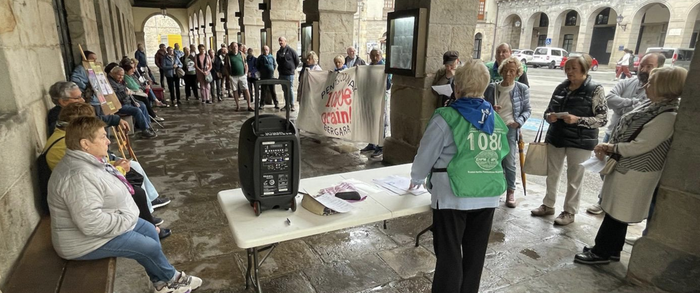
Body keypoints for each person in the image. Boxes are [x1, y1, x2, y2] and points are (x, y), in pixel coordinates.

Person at [47, 115, 201, 293]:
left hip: (104, 224)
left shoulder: (88, 162)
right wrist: (128, 219)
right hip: (82, 242)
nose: (108, 141)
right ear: (85, 144)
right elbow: (91, 223)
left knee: (150, 230)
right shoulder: (79, 176)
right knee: (147, 247)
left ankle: (161, 282)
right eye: (103, 137)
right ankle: (171, 279)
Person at [409, 59, 509, 293]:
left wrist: (416, 178)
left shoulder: (446, 117)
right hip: (487, 193)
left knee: (450, 256)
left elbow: (426, 154)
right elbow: (501, 152)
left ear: (457, 88)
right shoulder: (495, 118)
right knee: (475, 258)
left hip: (453, 195)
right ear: (484, 88)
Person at [574, 66, 687, 265]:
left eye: (652, 83)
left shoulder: (667, 116)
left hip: (636, 172)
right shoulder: (654, 107)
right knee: (616, 212)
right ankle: (612, 250)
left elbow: (640, 146)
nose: (646, 85)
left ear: (665, 87)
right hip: (628, 169)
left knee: (618, 212)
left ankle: (601, 252)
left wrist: (611, 147)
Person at [44, 103, 171, 239]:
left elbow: (92, 163)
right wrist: (119, 169)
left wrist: (113, 165)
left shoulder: (64, 137)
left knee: (134, 176)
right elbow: (87, 179)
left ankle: (148, 218)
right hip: (86, 194)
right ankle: (148, 224)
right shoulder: (65, 146)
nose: (108, 141)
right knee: (135, 192)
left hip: (91, 182)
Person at [531, 54, 608, 226]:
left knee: (575, 178)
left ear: (584, 70)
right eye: (567, 68)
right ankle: (548, 204)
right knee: (552, 174)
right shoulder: (561, 87)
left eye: (573, 68)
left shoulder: (595, 89)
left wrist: (578, 120)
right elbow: (548, 110)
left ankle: (569, 211)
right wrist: (549, 117)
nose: (569, 72)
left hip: (581, 141)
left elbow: (603, 119)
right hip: (556, 137)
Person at [586, 53, 666, 215]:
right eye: (641, 65)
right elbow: (609, 99)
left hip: (629, 141)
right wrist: (633, 104)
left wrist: (622, 106)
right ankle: (604, 201)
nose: (642, 69)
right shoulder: (627, 82)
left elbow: (642, 113)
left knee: (622, 176)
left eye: (648, 66)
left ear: (660, 68)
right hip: (612, 134)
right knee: (605, 171)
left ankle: (617, 208)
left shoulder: (661, 98)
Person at [484, 56, 531, 208]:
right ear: (501, 71)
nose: (508, 74)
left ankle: (511, 191)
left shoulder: (522, 89)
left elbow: (527, 110)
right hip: (493, 129)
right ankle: (492, 188)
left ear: (518, 73)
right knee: (492, 160)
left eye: (512, 71)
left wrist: (519, 122)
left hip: (510, 129)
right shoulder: (492, 87)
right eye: (506, 70)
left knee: (509, 162)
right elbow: (482, 105)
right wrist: (491, 108)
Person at [47, 81, 129, 137]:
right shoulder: (60, 118)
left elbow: (92, 120)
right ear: (63, 101)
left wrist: (115, 119)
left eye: (81, 96)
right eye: (77, 98)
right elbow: (88, 123)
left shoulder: (75, 112)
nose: (82, 100)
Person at [108, 66, 158, 138]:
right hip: (120, 105)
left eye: (122, 75)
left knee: (142, 105)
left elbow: (128, 94)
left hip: (127, 102)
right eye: (119, 75)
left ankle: (147, 126)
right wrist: (125, 94)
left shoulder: (119, 81)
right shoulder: (111, 83)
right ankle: (144, 130)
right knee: (136, 110)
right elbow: (115, 98)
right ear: (113, 74)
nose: (121, 77)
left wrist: (134, 102)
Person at [360, 49, 391, 158]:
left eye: (377, 55)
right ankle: (372, 143)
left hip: (380, 97)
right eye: (372, 55)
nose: (374, 57)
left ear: (381, 55)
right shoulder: (369, 67)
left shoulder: (384, 67)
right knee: (370, 120)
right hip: (370, 97)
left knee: (380, 121)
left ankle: (380, 146)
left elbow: (388, 84)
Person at [226, 42, 253, 111]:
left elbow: (246, 65)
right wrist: (228, 75)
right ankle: (238, 106)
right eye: (233, 47)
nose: (235, 48)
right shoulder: (228, 56)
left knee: (246, 90)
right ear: (231, 48)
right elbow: (226, 66)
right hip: (233, 76)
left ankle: (249, 105)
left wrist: (246, 73)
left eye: (236, 46)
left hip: (242, 75)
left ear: (238, 47)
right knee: (235, 90)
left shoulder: (242, 54)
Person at [276, 36, 300, 111]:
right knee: (284, 90)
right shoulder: (279, 52)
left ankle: (292, 105)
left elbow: (297, 61)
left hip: (289, 74)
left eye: (281, 41)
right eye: (279, 41)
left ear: (285, 41)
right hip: (282, 73)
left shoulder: (291, 51)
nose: (280, 42)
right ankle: (287, 105)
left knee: (289, 89)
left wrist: (292, 68)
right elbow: (278, 61)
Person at [256, 45, 279, 109]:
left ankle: (276, 103)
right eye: (264, 50)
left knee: (273, 91)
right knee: (263, 91)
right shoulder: (260, 58)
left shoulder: (271, 57)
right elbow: (257, 66)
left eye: (267, 50)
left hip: (271, 76)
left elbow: (274, 65)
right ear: (262, 50)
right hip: (263, 77)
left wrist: (271, 70)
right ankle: (262, 104)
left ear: (269, 50)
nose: (266, 51)